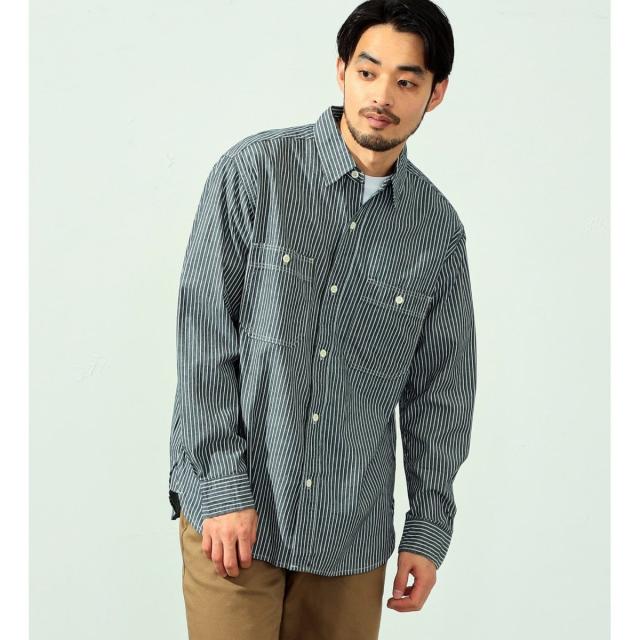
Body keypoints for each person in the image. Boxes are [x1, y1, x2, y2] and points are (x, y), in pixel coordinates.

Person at [167, 1, 477, 638]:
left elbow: (441, 390)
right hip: (236, 518)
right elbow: (205, 335)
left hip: (349, 534)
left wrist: (427, 527)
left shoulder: (437, 230)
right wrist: (222, 484)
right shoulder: (255, 172)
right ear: (341, 71)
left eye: (407, 81)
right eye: (368, 72)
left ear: (436, 93)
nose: (382, 96)